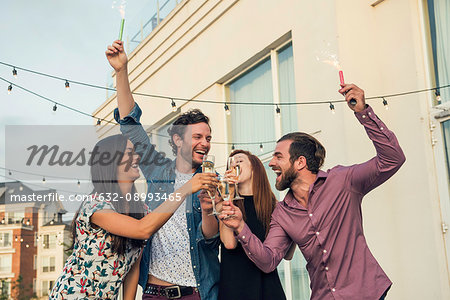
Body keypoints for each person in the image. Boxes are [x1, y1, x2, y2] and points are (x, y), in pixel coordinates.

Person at [220, 84, 406, 300]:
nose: (271, 163)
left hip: (365, 293)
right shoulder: (282, 213)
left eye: (278, 157)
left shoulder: (342, 181)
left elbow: (393, 159)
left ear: (300, 162)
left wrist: (363, 112)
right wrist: (241, 227)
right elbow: (269, 261)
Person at [106, 40, 220, 300]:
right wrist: (121, 71)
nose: (205, 143)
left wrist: (207, 210)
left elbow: (211, 239)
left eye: (209, 138)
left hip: (197, 293)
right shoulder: (158, 171)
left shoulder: (213, 181)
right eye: (198, 137)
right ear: (178, 140)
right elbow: (130, 125)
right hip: (154, 292)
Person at [50, 134, 215, 299]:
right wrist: (185, 189)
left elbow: (133, 268)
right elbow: (143, 230)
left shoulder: (140, 211)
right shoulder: (96, 205)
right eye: (129, 153)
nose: (136, 157)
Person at [218, 150, 286, 300]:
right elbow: (229, 243)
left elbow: (286, 253)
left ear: (254, 168)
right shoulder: (224, 204)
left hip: (266, 287)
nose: (234, 164)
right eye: (231, 162)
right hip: (235, 288)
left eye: (240, 161)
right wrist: (227, 195)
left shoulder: (274, 206)